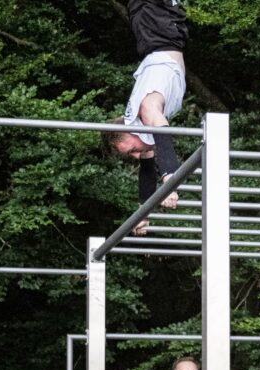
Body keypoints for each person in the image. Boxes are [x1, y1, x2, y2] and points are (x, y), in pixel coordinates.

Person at [101, 0, 189, 235]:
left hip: (158, 31)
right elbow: (147, 170)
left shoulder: (146, 112)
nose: (138, 155)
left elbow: (163, 130)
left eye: (131, 150)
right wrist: (143, 213)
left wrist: (170, 180)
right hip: (159, 37)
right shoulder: (141, 129)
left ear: (128, 131)